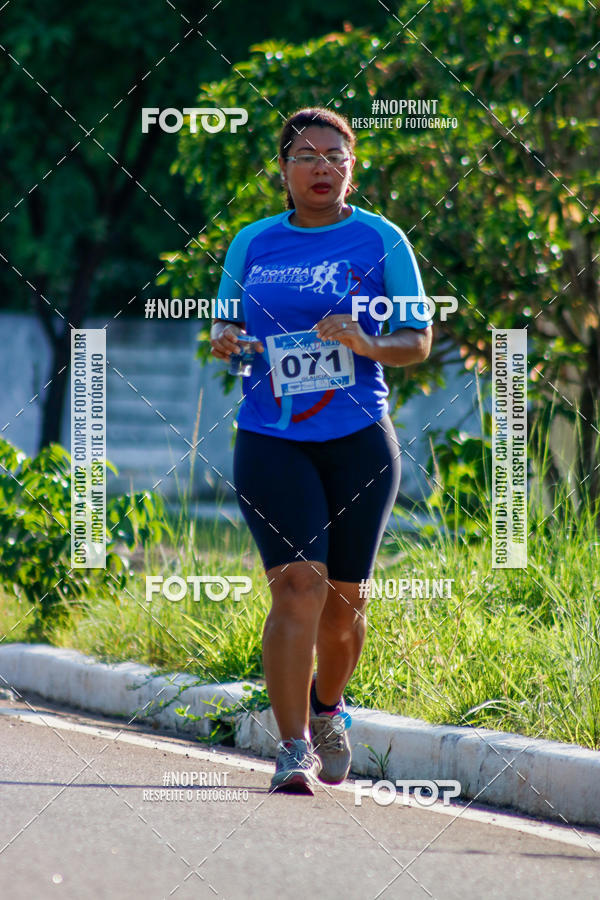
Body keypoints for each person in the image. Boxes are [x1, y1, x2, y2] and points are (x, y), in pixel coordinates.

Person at [210, 107, 432, 794]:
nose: (321, 166)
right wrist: (223, 338)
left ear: (351, 167)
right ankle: (291, 747)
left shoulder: (381, 239)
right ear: (282, 169)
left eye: (335, 155)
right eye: (305, 155)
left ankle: (329, 707)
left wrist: (366, 342)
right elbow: (227, 323)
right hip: (272, 436)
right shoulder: (252, 242)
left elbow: (417, 343)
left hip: (359, 440)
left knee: (344, 603)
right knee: (297, 586)